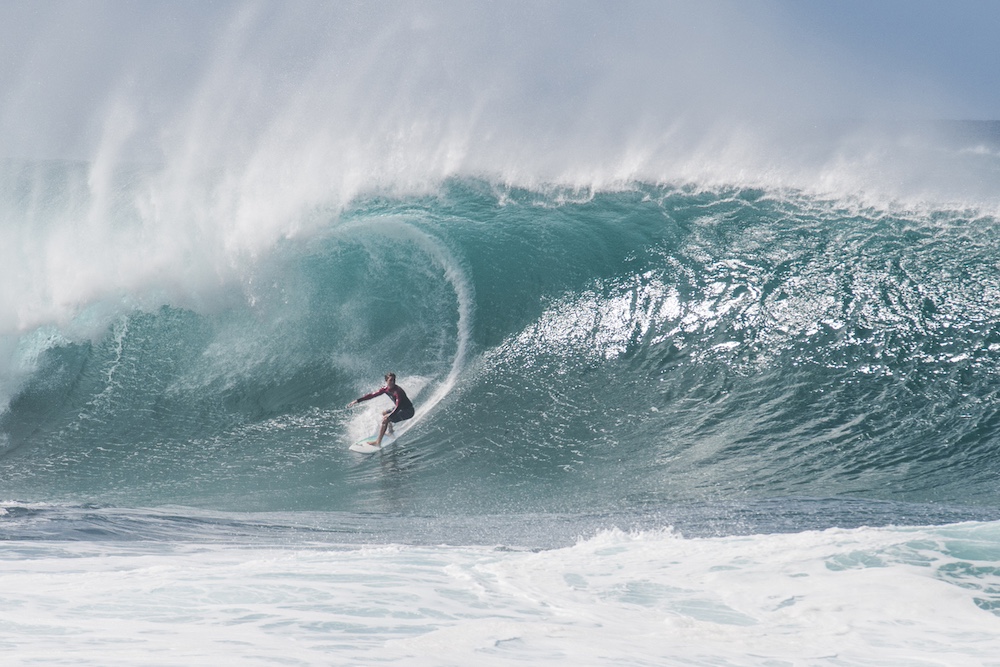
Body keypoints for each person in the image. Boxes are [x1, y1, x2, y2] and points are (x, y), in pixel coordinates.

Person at [347, 373, 414, 446]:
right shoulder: (385, 389)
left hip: (408, 411)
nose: (393, 382)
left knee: (385, 420)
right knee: (384, 413)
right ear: (386, 380)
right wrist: (357, 400)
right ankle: (391, 431)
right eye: (390, 380)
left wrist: (389, 417)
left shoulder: (397, 391)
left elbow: (398, 407)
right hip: (401, 409)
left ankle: (378, 442)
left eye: (394, 380)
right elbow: (372, 395)